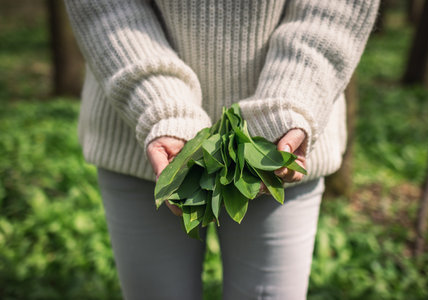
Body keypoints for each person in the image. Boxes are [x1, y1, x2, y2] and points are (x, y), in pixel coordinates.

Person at [65, 0, 379, 299]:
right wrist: (160, 107)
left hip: (277, 149)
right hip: (143, 141)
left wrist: (290, 101)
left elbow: (337, 10)